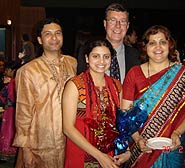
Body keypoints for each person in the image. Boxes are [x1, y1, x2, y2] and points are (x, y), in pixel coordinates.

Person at [115, 25, 185, 168]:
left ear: (170, 45)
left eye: (163, 42)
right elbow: (126, 113)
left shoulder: (184, 76)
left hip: (172, 146)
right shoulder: (134, 73)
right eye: (152, 42)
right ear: (145, 47)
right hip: (141, 147)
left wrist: (177, 132)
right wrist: (137, 138)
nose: (158, 47)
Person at [13, 18, 77, 168]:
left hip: (71, 139)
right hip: (40, 143)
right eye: (48, 34)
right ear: (40, 40)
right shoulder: (27, 71)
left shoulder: (72, 63)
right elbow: (23, 112)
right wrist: (26, 150)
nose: (54, 38)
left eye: (58, 33)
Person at [62, 38, 130, 168]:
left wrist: (126, 151)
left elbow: (121, 123)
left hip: (109, 153)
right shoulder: (75, 85)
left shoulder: (116, 86)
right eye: (96, 56)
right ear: (87, 58)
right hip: (81, 153)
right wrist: (100, 156)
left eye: (106, 57)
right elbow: (68, 128)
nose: (101, 61)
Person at [77, 3, 140, 83]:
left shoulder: (136, 55)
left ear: (127, 26)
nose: (118, 26)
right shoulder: (86, 51)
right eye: (113, 20)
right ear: (105, 24)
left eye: (122, 21)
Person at [0, 61, 20, 162]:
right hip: (12, 110)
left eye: (8, 70)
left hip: (11, 111)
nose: (5, 71)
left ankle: (8, 154)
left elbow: (9, 98)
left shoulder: (13, 82)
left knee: (9, 130)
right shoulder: (13, 81)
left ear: (13, 71)